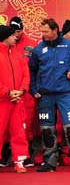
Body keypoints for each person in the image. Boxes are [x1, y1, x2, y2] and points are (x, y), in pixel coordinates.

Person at [29, 18, 70, 172]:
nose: (43, 34)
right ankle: (50, 162)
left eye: (46, 31)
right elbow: (32, 70)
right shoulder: (38, 49)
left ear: (55, 30)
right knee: (47, 129)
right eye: (42, 31)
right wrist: (34, 89)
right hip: (45, 96)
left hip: (65, 94)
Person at [9, 16, 39, 167]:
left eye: (19, 31)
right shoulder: (6, 47)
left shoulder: (31, 45)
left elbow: (32, 71)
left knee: (25, 124)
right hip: (7, 94)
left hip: (25, 93)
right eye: (14, 31)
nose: (16, 34)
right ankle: (7, 153)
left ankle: (25, 155)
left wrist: (24, 89)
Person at [0, 26, 29, 173]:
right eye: (12, 35)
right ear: (4, 37)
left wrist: (22, 90)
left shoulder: (18, 53)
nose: (15, 37)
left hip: (17, 100)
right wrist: (7, 92)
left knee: (19, 132)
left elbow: (26, 74)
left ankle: (20, 162)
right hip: (2, 101)